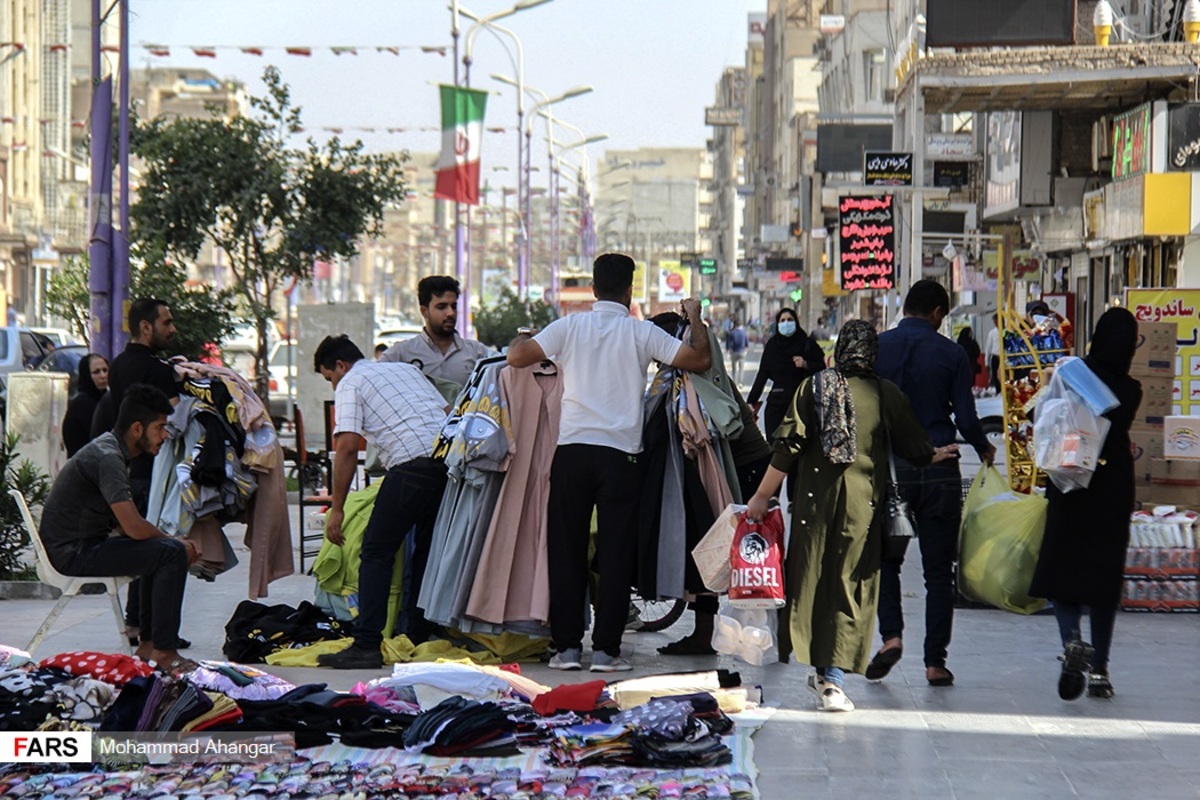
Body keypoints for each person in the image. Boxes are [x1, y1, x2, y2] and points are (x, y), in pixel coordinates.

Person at [506, 252, 712, 672]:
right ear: (629, 290)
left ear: (594, 289)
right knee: (616, 553)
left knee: (566, 550)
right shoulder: (640, 334)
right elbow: (699, 360)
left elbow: (517, 357)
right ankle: (606, 652)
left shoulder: (570, 326)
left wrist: (522, 336)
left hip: (572, 453)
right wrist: (696, 319)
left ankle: (566, 650)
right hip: (621, 457)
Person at [745, 321, 957, 712]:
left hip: (813, 506)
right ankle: (833, 679)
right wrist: (936, 454)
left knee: (812, 582)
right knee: (850, 586)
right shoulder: (885, 393)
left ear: (839, 350)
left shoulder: (813, 388)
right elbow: (915, 447)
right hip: (863, 510)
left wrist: (761, 496)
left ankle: (825, 673)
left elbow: (787, 448)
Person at [868, 280, 994, 688]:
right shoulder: (952, 353)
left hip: (894, 471)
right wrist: (984, 448)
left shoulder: (879, 348)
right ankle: (935, 663)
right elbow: (967, 418)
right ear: (939, 312)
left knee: (888, 562)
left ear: (906, 307)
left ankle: (891, 638)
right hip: (940, 470)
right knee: (939, 573)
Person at [40, 385, 200, 676]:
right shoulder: (108, 457)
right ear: (137, 428)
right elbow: (134, 528)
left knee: (163, 551)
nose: (165, 435)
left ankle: (151, 645)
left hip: (82, 544)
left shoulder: (111, 449)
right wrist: (175, 542)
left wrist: (168, 542)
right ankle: (163, 650)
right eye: (160, 427)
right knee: (170, 552)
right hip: (73, 553)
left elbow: (124, 525)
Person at [313, 334, 450, 669]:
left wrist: (338, 509)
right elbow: (448, 412)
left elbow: (346, 447)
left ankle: (366, 644)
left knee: (375, 551)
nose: (334, 385)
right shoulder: (406, 370)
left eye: (329, 378)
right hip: (448, 465)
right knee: (426, 554)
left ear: (340, 366)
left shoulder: (351, 382)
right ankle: (417, 634)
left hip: (411, 466)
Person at [1030, 308, 1142, 701]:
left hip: (1072, 475)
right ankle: (1101, 672)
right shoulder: (1131, 390)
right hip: (1113, 485)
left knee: (1064, 564)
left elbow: (1047, 409)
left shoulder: (1071, 372)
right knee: (1103, 575)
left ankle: (1072, 641)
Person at [93, 298, 181, 647]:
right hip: (153, 470)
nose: (172, 329)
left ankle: (137, 624)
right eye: (167, 322)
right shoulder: (158, 370)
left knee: (142, 549)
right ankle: (154, 633)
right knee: (159, 549)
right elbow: (177, 416)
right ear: (146, 327)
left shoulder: (118, 365)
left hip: (131, 467)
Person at [379, 275, 493, 388]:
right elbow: (372, 381)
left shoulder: (477, 353)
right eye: (441, 307)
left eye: (453, 306)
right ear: (424, 311)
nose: (450, 313)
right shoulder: (401, 354)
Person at [746, 308, 826, 443]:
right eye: (782, 320)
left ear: (796, 322)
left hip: (802, 405)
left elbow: (822, 368)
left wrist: (806, 364)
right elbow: (762, 376)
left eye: (790, 320)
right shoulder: (772, 346)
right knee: (776, 449)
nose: (786, 323)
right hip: (777, 406)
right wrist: (751, 402)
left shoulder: (807, 344)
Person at [62, 354, 109, 457]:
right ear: (87, 375)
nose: (103, 376)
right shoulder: (82, 404)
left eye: (105, 370)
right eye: (96, 372)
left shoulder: (104, 399)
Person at [725, 319, 749, 387]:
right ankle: (740, 382)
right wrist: (745, 352)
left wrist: (728, 352)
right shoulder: (744, 333)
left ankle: (734, 383)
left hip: (734, 352)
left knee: (734, 369)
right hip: (741, 352)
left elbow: (728, 344)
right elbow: (747, 344)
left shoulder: (731, 333)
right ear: (741, 325)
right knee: (741, 368)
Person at [984, 313, 1002, 393]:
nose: (995, 322)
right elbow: (988, 347)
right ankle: (998, 391)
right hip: (995, 356)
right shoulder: (992, 333)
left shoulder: (1006, 331)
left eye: (996, 320)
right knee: (995, 375)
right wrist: (986, 362)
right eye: (994, 321)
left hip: (1004, 357)